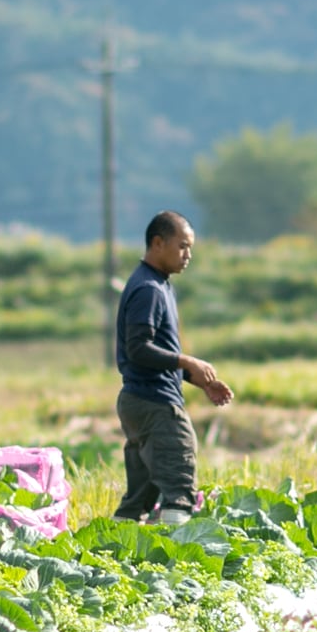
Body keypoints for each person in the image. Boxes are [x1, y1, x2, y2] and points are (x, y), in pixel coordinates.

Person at [115, 211, 232, 525]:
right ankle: (176, 568)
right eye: (182, 246)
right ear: (158, 243)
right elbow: (138, 349)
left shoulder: (157, 285)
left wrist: (198, 379)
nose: (188, 255)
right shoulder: (149, 289)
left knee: (139, 498)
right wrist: (186, 360)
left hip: (139, 399)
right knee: (179, 485)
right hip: (155, 403)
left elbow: (155, 355)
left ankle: (111, 553)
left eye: (190, 248)